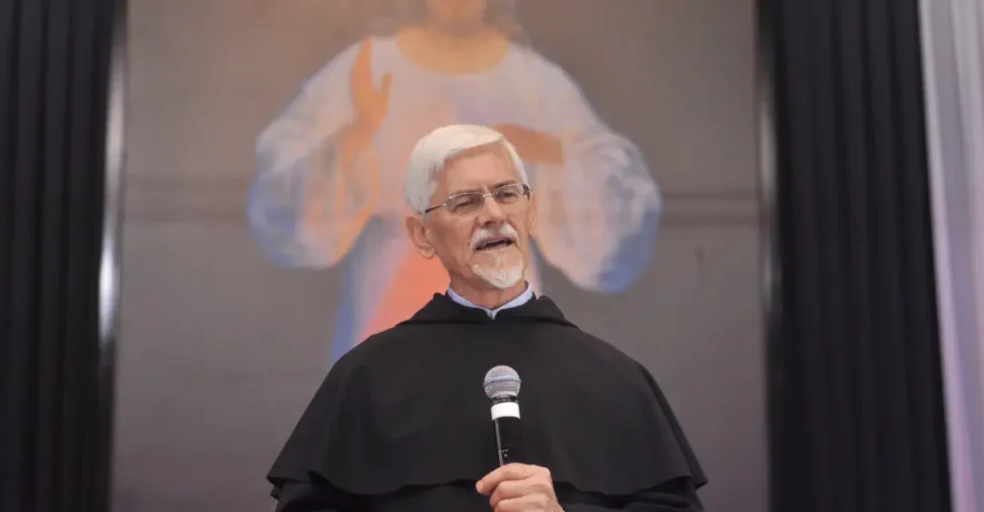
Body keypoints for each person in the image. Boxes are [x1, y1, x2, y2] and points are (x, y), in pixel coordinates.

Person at [266, 125, 705, 511]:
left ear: (531, 213)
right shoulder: (366, 376)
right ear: (423, 235)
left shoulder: (616, 379)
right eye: (465, 202)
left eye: (507, 194)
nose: (494, 215)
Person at [247, 0, 663, 365]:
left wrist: (549, 151)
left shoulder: (532, 80)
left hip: (500, 296)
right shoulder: (371, 64)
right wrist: (357, 133)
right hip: (392, 297)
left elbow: (615, 207)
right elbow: (287, 191)